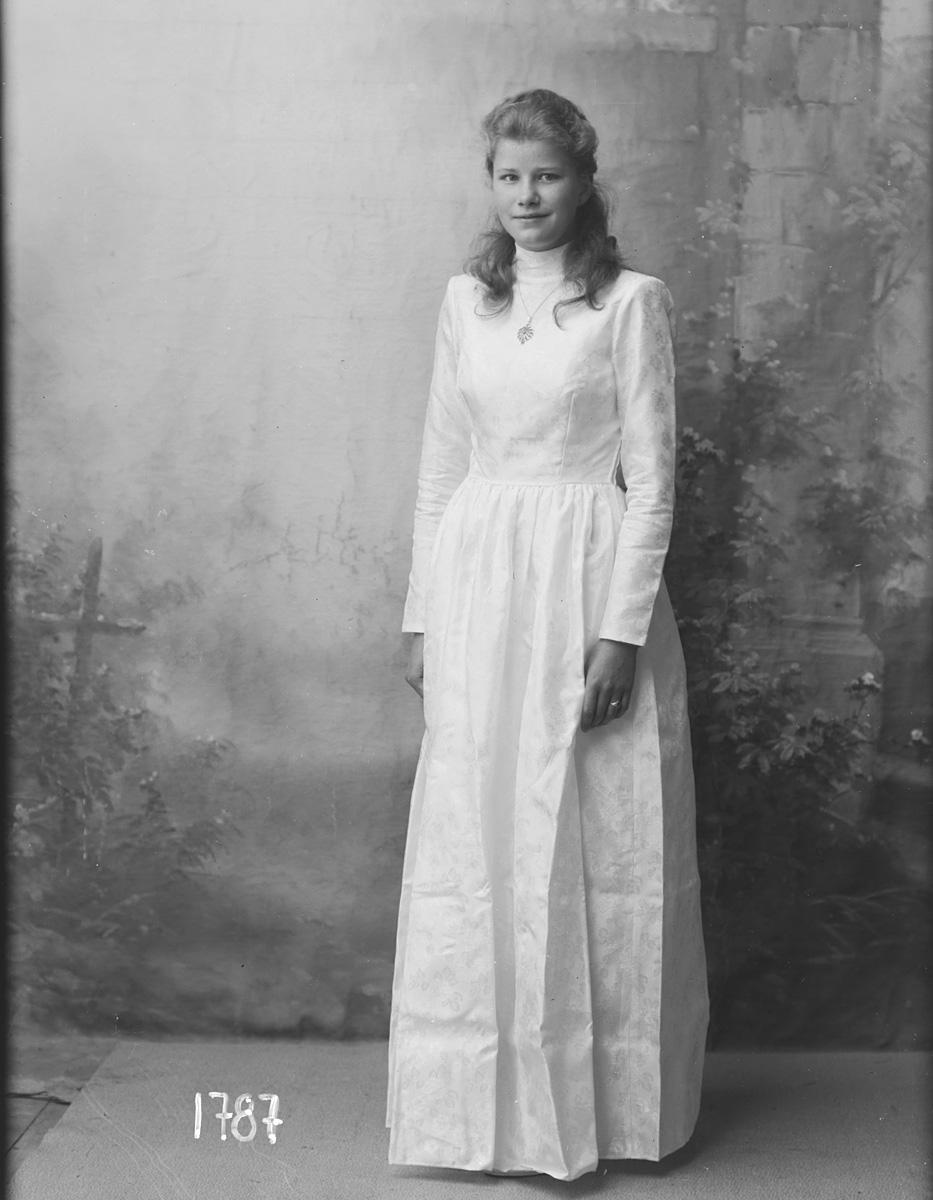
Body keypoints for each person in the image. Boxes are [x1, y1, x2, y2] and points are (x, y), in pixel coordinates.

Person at [385, 88, 709, 1182]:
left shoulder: (629, 302)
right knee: (481, 837)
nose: (526, 197)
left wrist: (621, 633)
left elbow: (653, 484)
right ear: (491, 183)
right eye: (508, 176)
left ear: (584, 182)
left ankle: (599, 1114)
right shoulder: (465, 302)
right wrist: (423, 615)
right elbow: (439, 469)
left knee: (598, 836)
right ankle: (481, 1117)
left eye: (548, 176)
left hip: (584, 578)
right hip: (481, 585)